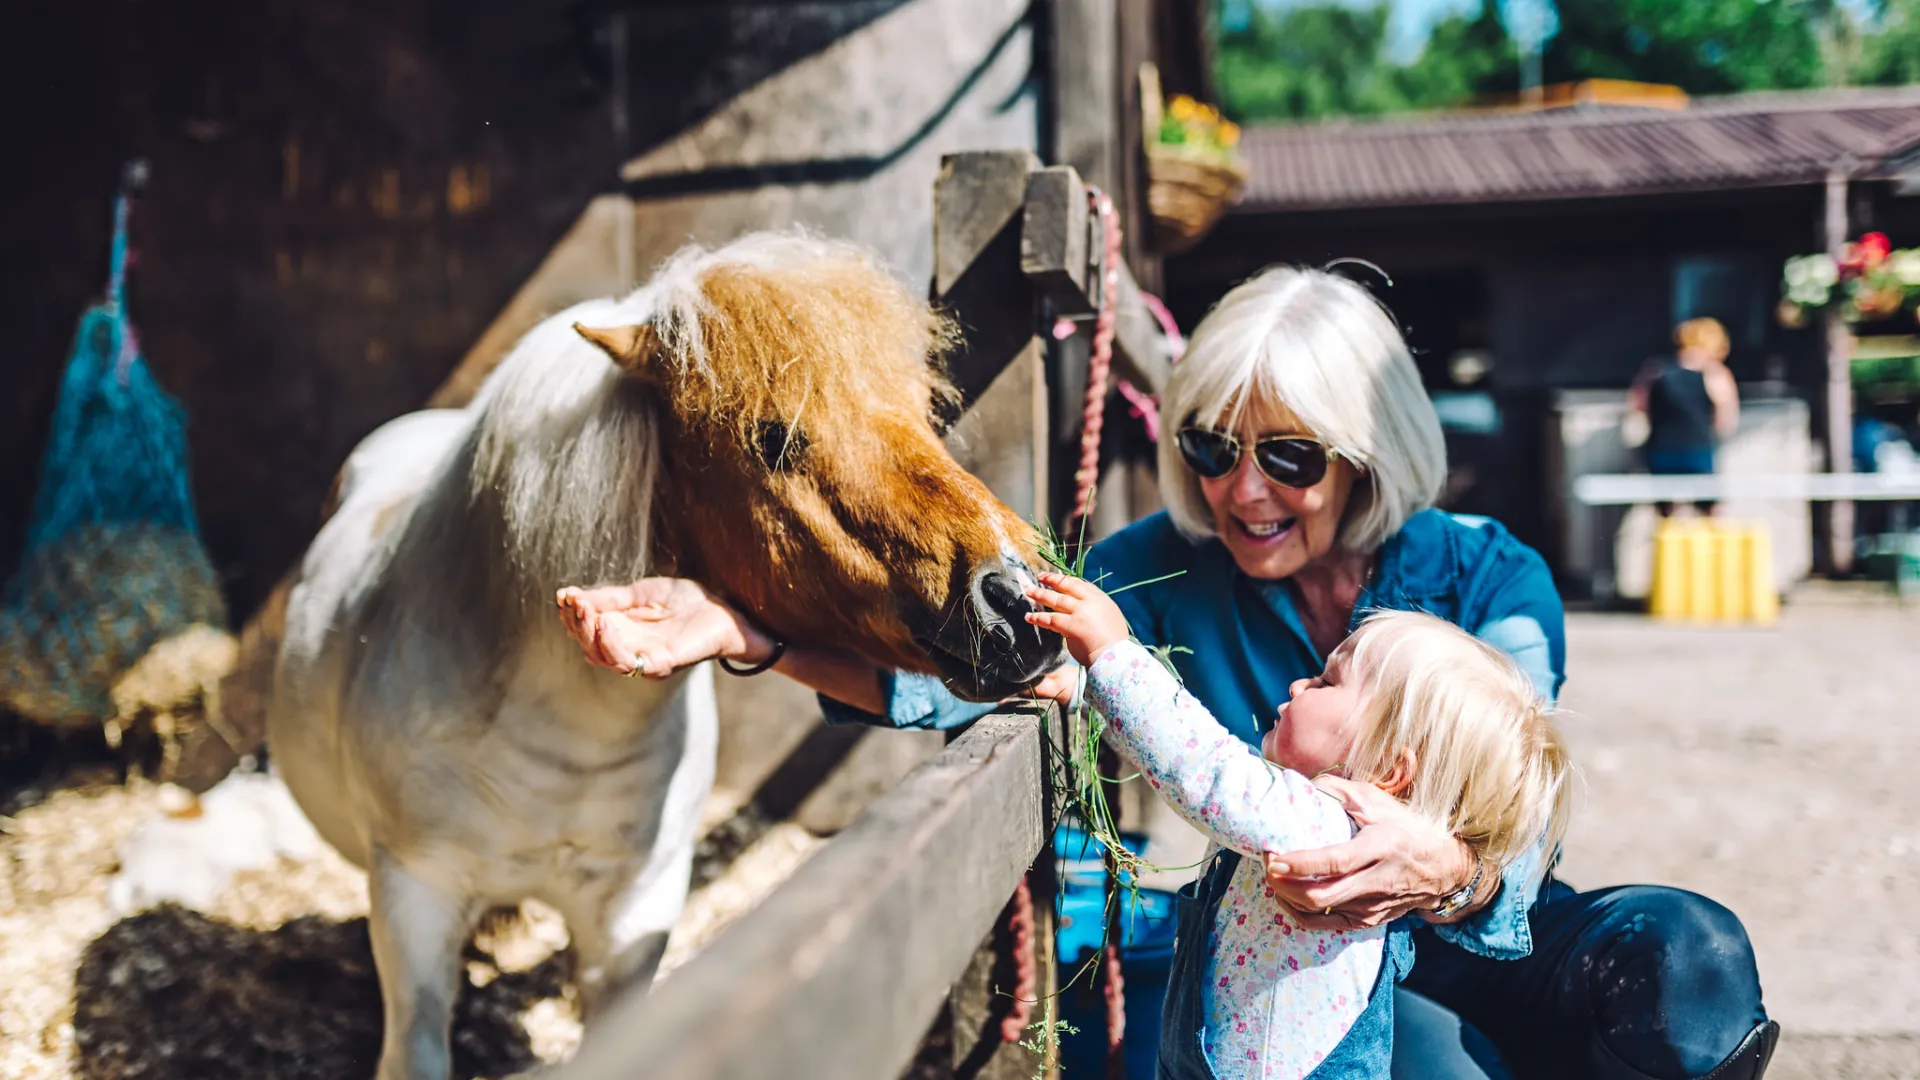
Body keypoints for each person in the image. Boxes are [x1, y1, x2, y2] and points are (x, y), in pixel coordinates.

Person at [558, 266, 1777, 1080]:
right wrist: (753, 637)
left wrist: (1445, 864)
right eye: (1211, 449)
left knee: (1686, 961)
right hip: (1281, 954)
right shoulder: (1163, 567)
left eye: (1290, 456)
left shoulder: (1484, 576)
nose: (1243, 493)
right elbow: (973, 673)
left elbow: (1517, 793)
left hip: (1474, 934)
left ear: (1367, 458)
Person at [1025, 571, 1573, 1080]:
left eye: (1326, 681)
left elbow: (1204, 769)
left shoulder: (1324, 828)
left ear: (1389, 770)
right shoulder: (1305, 810)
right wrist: (1089, 691)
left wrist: (1113, 658)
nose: (1297, 686)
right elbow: (1193, 758)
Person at [1628, 318, 1740, 518]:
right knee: (1710, 514)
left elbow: (1638, 406)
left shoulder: (1655, 371)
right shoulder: (1714, 374)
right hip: (1698, 452)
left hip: (1660, 452)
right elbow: (1726, 421)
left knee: (1666, 518)